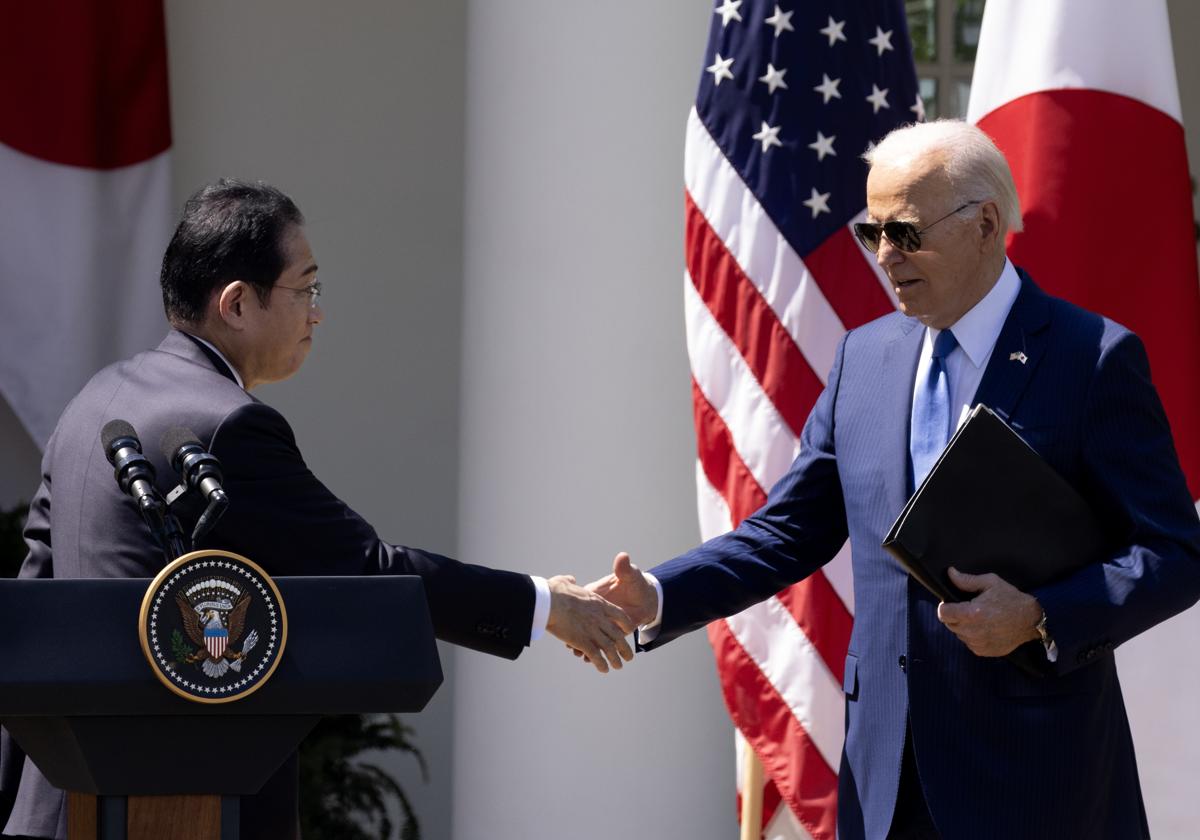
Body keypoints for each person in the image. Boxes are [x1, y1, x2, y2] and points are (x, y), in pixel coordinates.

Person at [590, 120, 1200, 839]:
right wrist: (658, 594)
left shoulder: (1091, 358)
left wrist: (1040, 613)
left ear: (986, 224)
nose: (885, 256)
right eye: (870, 233)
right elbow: (787, 533)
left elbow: (1174, 554)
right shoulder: (864, 360)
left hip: (1037, 777)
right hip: (886, 777)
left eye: (905, 233)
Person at [0, 179, 634, 840]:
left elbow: (29, 610)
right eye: (305, 288)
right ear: (238, 303)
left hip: (54, 812)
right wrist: (543, 605)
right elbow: (367, 569)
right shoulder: (229, 426)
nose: (317, 313)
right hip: (185, 805)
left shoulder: (94, 401)